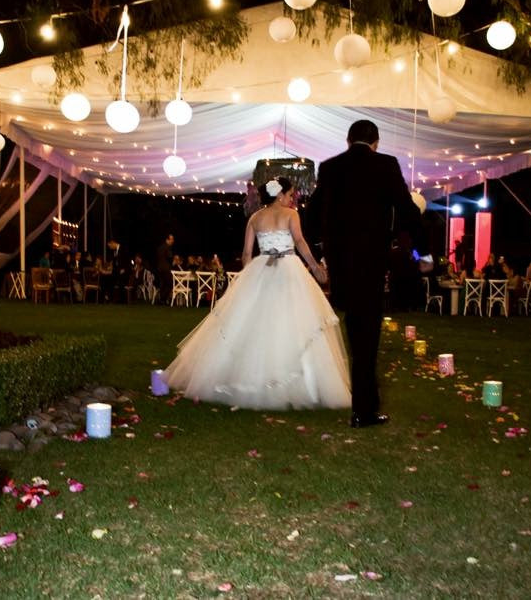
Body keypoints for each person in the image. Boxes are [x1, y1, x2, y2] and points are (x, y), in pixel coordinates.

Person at [164, 177, 350, 410]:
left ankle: (249, 378)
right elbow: (300, 241)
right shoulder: (291, 214)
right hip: (289, 269)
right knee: (294, 320)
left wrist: (249, 279)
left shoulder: (255, 218)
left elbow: (246, 254)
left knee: (256, 321)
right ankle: (301, 384)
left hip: (262, 267)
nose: (292, 199)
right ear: (280, 195)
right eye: (290, 195)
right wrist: (314, 267)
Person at [306, 119, 425, 428]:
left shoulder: (330, 167)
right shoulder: (386, 165)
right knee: (367, 334)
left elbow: (313, 213)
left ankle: (363, 404)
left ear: (348, 141)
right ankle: (364, 410)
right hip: (371, 262)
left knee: (355, 327)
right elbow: (406, 207)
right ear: (376, 142)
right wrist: (422, 248)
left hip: (341, 264)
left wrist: (318, 251)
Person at [156, 234, 175, 302]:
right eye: (171, 239)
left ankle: (161, 300)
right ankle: (162, 299)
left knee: (163, 284)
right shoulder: (168, 248)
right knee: (170, 284)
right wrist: (173, 261)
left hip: (160, 268)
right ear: (167, 240)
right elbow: (169, 257)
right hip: (166, 268)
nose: (173, 241)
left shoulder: (160, 248)